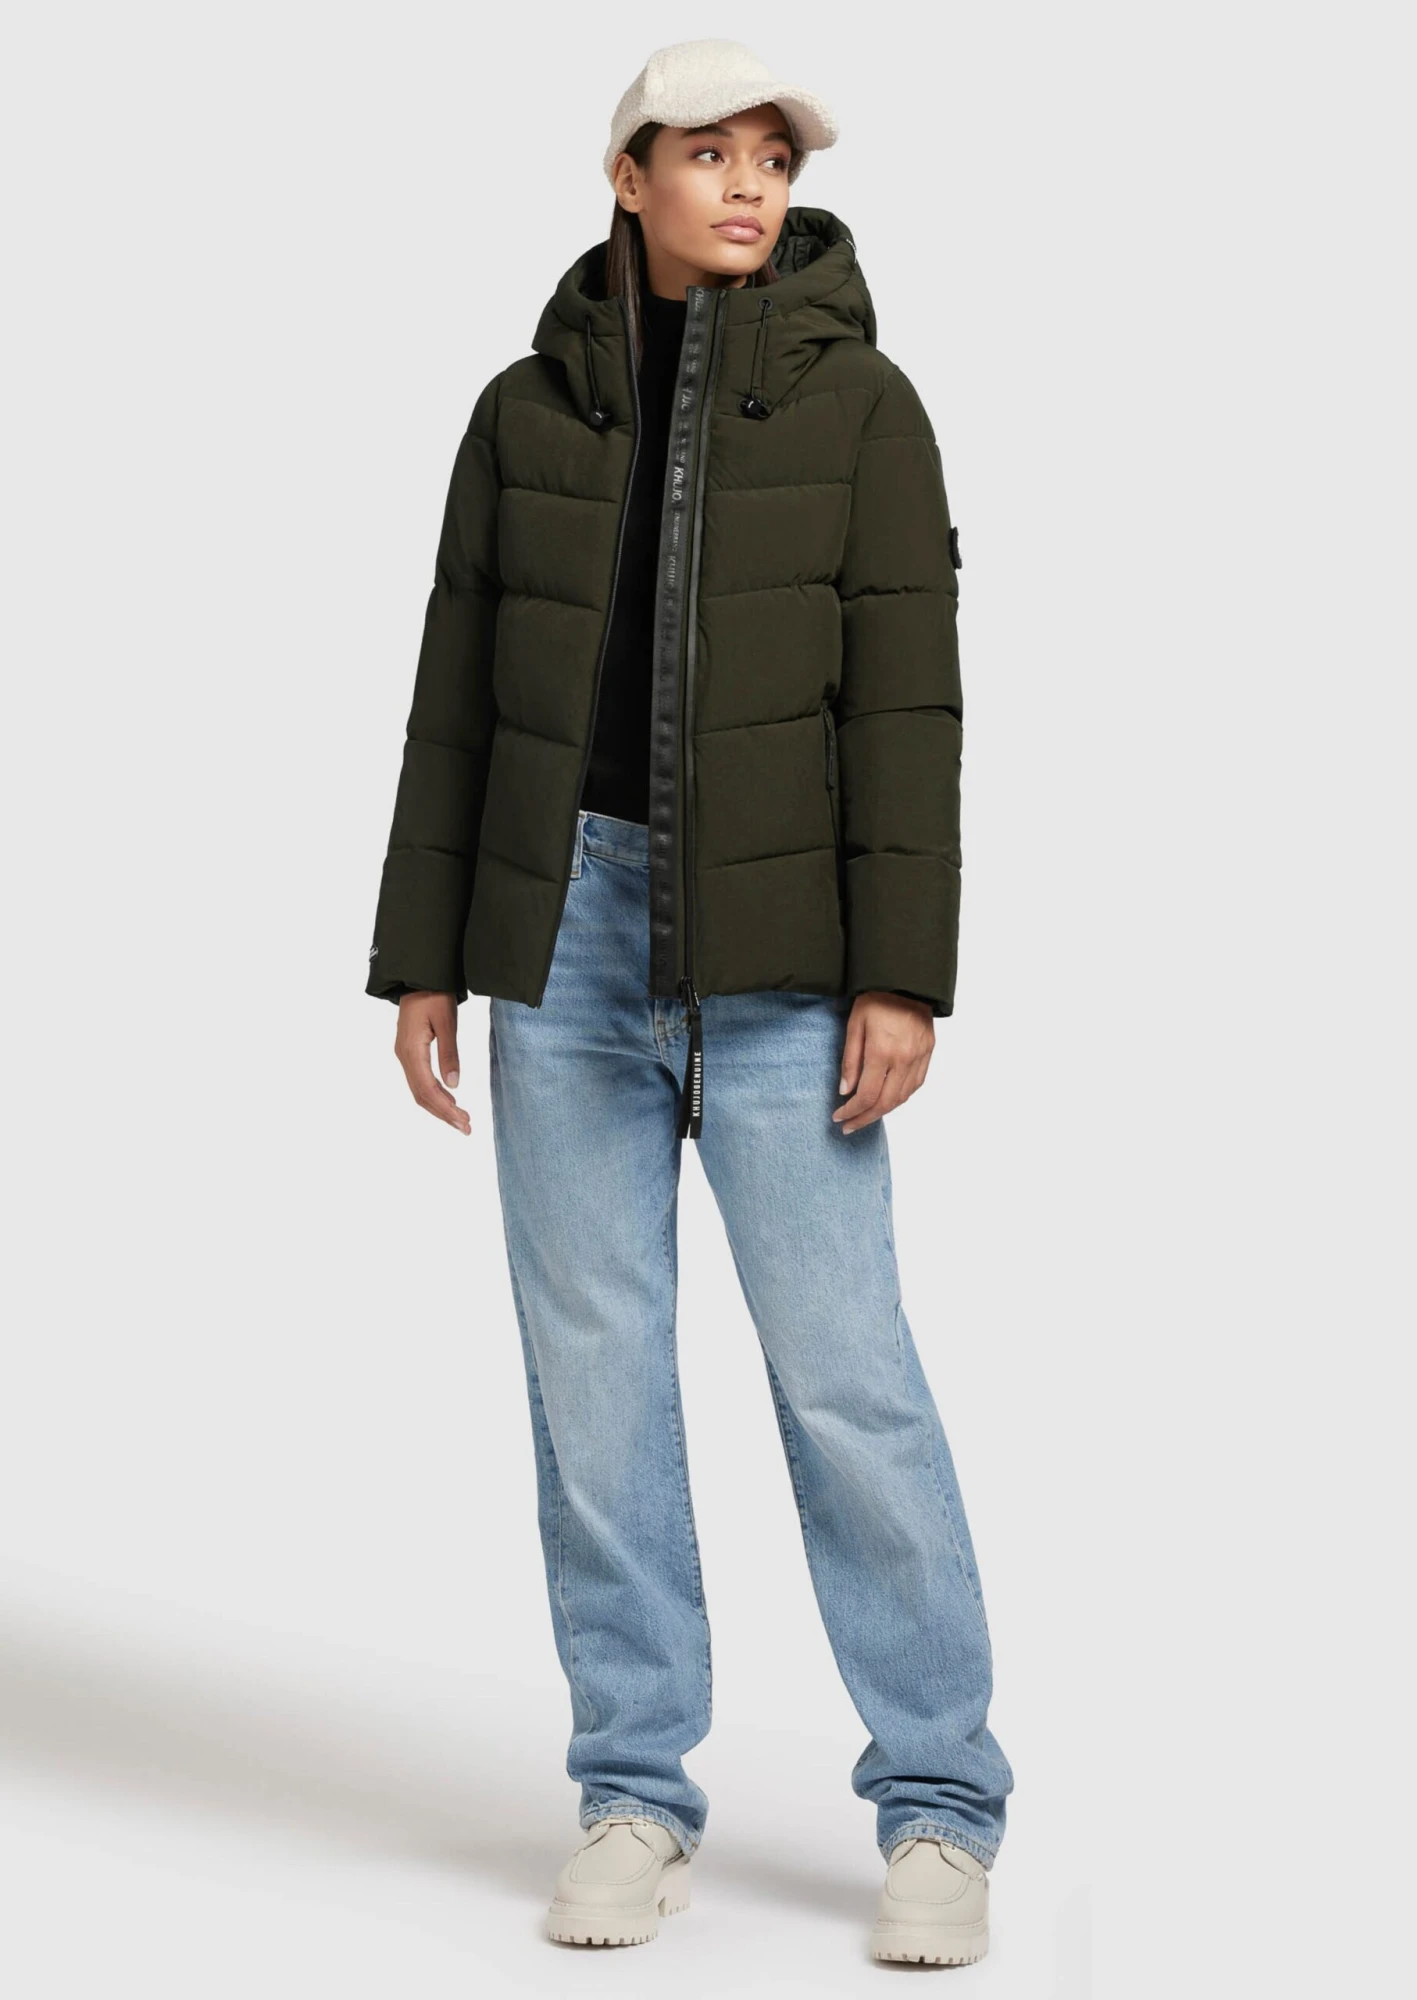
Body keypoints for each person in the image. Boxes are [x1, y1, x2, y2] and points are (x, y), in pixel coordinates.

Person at [364, 36, 1014, 1966]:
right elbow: (457, 684)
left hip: (788, 951)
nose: (747, 187)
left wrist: (901, 972)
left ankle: (941, 1803)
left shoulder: (867, 408)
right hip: (564, 933)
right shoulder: (520, 413)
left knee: (847, 1381)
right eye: (708, 155)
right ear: (628, 176)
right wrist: (427, 949)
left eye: (772, 161)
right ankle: (633, 1790)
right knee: (594, 1387)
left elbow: (908, 703)